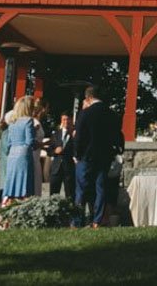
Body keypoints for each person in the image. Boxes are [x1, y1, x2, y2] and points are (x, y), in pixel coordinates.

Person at [72, 85, 123, 228]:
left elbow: (79, 136)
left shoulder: (85, 113)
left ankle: (77, 221)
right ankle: (97, 221)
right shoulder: (112, 114)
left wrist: (76, 154)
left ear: (88, 98)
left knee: (81, 189)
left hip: (86, 156)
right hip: (104, 156)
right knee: (101, 188)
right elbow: (117, 135)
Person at [2, 97, 37, 202]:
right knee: (25, 183)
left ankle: (8, 204)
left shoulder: (12, 122)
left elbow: (9, 142)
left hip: (12, 154)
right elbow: (29, 141)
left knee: (12, 181)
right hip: (24, 154)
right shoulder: (28, 121)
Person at [49, 112, 75, 199]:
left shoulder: (75, 134)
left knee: (70, 194)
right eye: (64, 119)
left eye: (68, 119)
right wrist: (55, 151)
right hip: (56, 168)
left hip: (69, 168)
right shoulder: (56, 134)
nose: (66, 122)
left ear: (71, 120)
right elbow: (49, 150)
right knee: (54, 194)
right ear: (61, 121)